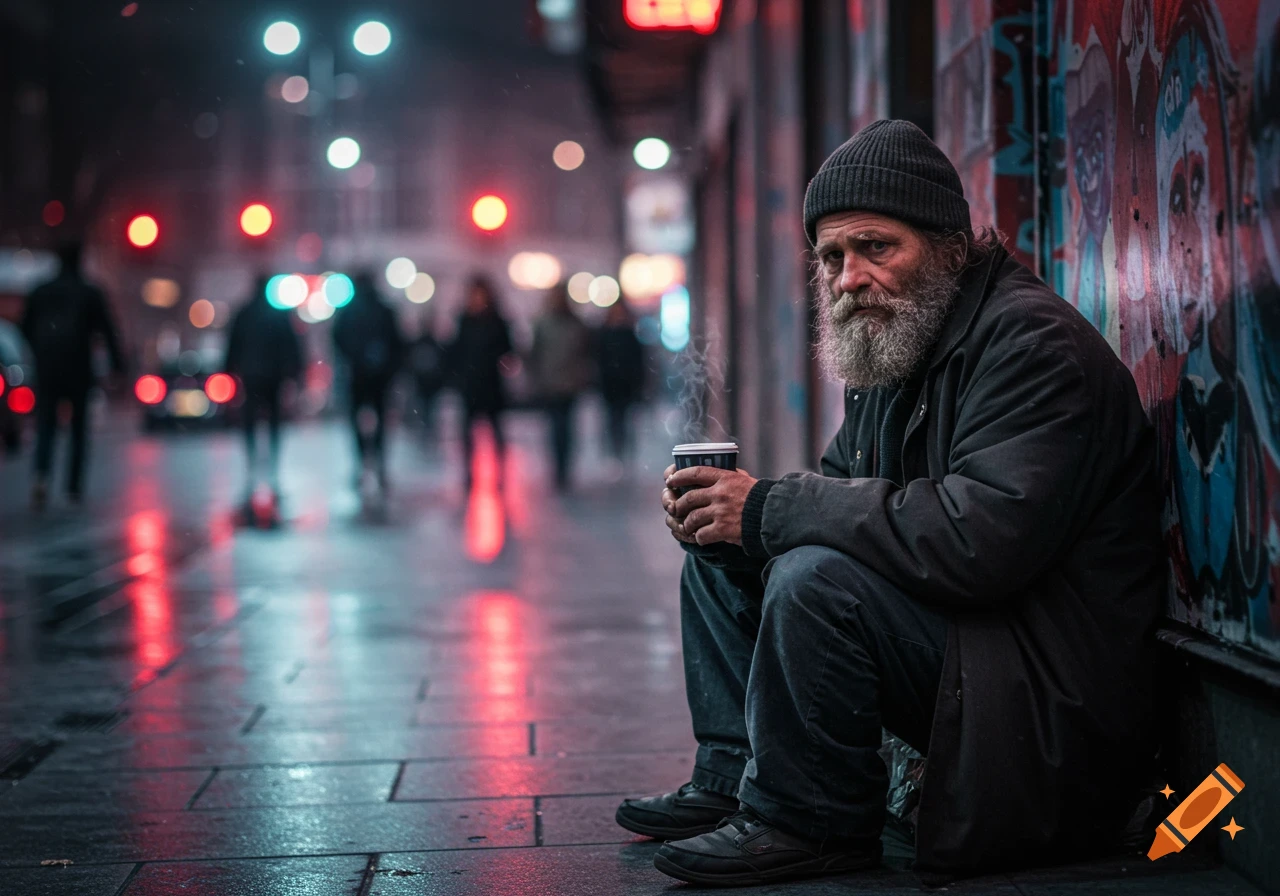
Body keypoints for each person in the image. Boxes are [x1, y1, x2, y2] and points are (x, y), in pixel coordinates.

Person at [617, 120, 1164, 886]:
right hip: (977, 650)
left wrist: (772, 509)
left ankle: (809, 822)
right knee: (726, 552)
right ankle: (733, 777)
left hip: (1048, 699)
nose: (849, 277)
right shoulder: (896, 348)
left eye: (877, 247)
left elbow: (983, 544)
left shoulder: (1031, 346)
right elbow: (844, 498)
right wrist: (738, 519)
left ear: (946, 245)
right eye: (833, 256)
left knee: (810, 575)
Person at [21, 241, 125, 509]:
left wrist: (38, 355)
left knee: (47, 425)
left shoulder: (41, 292)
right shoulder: (89, 292)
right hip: (78, 368)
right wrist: (118, 367)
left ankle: (41, 476)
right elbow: (108, 331)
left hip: (48, 369)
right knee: (79, 430)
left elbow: (25, 328)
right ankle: (73, 489)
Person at [224, 274, 304, 505]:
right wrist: (294, 374)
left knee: (250, 422)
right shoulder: (278, 315)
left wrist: (230, 369)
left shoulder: (245, 312)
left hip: (252, 376)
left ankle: (253, 466)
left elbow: (233, 344)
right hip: (273, 377)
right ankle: (271, 468)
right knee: (273, 424)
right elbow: (292, 347)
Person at [332, 272, 404, 493]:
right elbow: (398, 342)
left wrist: (353, 359)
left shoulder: (349, 312)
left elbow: (338, 338)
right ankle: (379, 463)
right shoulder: (384, 309)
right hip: (379, 377)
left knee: (357, 421)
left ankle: (362, 462)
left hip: (357, 375)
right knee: (380, 420)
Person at [449, 275, 513, 489]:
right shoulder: (464, 320)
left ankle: (500, 473)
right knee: (468, 432)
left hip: (491, 384)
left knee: (495, 431)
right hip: (470, 385)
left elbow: (507, 351)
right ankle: (468, 473)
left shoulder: (497, 321)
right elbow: (456, 351)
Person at [529, 282, 593, 491]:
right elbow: (534, 354)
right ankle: (558, 468)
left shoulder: (575, 323)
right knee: (556, 427)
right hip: (551, 383)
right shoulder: (543, 323)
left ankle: (564, 468)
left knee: (566, 427)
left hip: (569, 384)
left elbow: (585, 352)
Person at [596, 300, 645, 466]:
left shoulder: (630, 334)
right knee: (612, 419)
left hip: (627, 384)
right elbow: (598, 359)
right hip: (610, 384)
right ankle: (614, 453)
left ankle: (624, 453)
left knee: (625, 419)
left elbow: (639, 361)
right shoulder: (604, 334)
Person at [408, 310, 447, 453]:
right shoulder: (428, 343)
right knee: (426, 409)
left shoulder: (428, 343)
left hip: (429, 383)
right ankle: (426, 433)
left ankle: (427, 433)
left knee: (428, 409)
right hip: (425, 383)